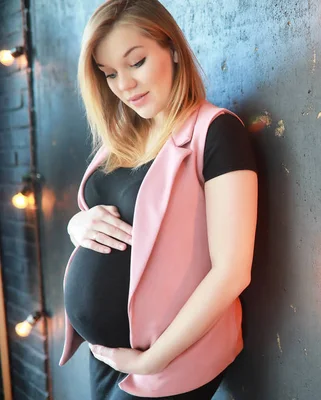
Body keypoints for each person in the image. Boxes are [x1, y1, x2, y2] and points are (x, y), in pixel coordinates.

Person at [58, 1, 258, 399]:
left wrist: (153, 360)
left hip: (168, 359)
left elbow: (232, 272)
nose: (124, 85)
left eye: (136, 62)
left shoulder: (216, 133)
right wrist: (75, 226)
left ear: (172, 50)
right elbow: (106, 224)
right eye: (110, 73)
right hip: (106, 355)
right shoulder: (121, 141)